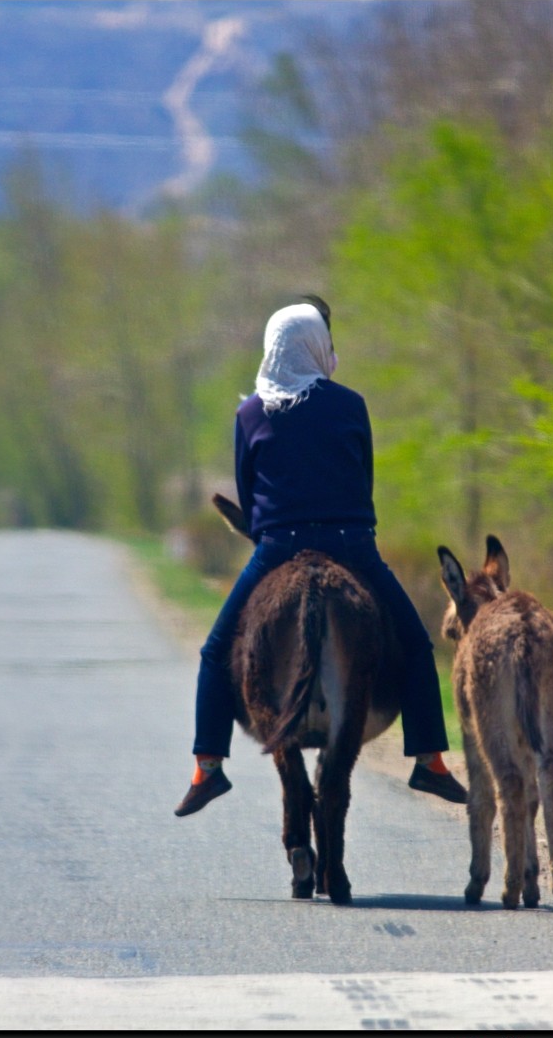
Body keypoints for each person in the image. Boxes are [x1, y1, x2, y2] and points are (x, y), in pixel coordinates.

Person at [174, 296, 467, 817]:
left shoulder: (249, 412)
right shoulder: (350, 403)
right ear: (318, 346)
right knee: (418, 644)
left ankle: (208, 766)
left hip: (277, 547)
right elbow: (365, 478)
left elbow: (246, 486)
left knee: (216, 652)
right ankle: (429, 759)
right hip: (351, 544)